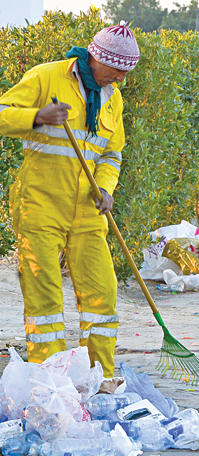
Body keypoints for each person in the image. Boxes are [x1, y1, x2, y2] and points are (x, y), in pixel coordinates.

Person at [0, 24, 138, 382]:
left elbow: (111, 153)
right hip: (39, 205)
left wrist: (106, 189)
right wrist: (36, 117)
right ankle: (51, 382)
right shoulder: (46, 78)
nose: (122, 78)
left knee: (102, 296)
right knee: (44, 301)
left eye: (127, 71)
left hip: (88, 209)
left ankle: (100, 379)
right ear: (97, 58)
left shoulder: (113, 97)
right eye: (118, 69)